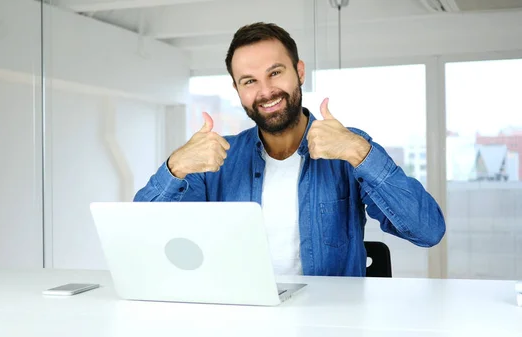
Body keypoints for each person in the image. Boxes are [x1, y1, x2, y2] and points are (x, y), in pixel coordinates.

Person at [134, 22, 445, 277]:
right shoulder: (218, 157)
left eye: (275, 72)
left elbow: (427, 231)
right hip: (242, 315)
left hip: (329, 320)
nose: (265, 91)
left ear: (299, 72)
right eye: (249, 81)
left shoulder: (348, 148)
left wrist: (358, 153)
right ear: (237, 90)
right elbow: (140, 235)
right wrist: (175, 167)